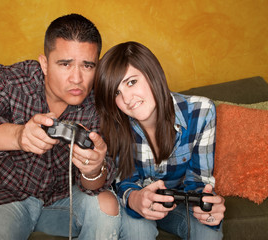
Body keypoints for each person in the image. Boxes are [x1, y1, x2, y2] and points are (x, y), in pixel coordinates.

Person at [0, 14, 120, 240]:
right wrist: (19, 135)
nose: (77, 79)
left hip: (65, 200)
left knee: (107, 204)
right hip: (6, 196)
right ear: (44, 64)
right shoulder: (12, 81)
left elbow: (100, 180)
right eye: (65, 64)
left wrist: (93, 171)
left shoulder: (102, 100)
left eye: (87, 66)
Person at [94, 41, 226, 240]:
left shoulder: (202, 112)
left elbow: (198, 181)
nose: (128, 99)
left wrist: (208, 206)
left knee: (209, 233)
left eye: (131, 82)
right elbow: (125, 182)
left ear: (152, 73)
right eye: (116, 92)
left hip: (180, 204)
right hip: (137, 204)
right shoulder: (114, 122)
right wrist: (135, 198)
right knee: (138, 232)